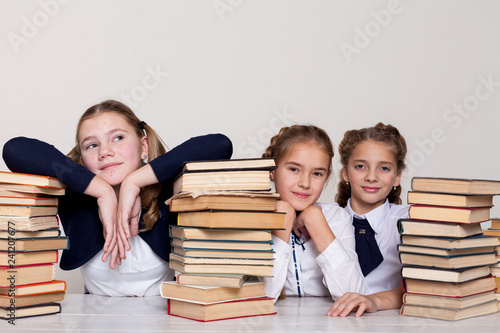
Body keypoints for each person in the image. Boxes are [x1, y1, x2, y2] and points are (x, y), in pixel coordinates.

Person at [2, 100, 232, 296]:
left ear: (143, 147)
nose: (104, 151)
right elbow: (14, 149)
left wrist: (136, 181)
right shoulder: (76, 199)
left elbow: (221, 145)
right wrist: (100, 191)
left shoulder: (167, 192)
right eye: (92, 145)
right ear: (82, 162)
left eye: (118, 138)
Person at [259, 125, 365, 301]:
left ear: (327, 176)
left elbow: (354, 294)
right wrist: (282, 223)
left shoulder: (337, 218)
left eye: (317, 173)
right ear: (272, 170)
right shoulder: (251, 217)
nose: (305, 183)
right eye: (294, 169)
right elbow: (264, 297)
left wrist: (316, 221)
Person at [327, 122, 408, 317]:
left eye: (384, 168)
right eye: (361, 166)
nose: (371, 177)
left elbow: (426, 285)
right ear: (346, 173)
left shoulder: (409, 221)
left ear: (397, 177)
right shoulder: (325, 218)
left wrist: (375, 301)